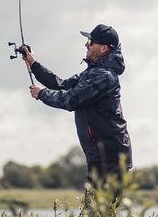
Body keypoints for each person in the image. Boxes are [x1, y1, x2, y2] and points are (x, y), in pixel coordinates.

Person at [22, 24, 132, 183]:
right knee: (96, 207)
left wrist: (42, 93)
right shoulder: (92, 73)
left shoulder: (104, 76)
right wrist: (33, 64)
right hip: (100, 156)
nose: (86, 45)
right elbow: (62, 84)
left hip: (110, 157)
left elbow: (70, 100)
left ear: (103, 48)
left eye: (91, 42)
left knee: (100, 207)